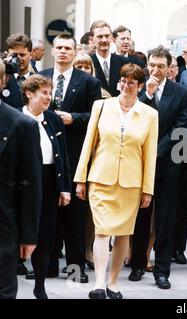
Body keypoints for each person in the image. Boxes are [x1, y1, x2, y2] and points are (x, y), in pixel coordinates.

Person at [74, 63, 158, 299]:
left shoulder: (150, 115)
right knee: (101, 231)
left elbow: (149, 155)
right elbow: (88, 145)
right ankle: (98, 284)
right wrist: (80, 178)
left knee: (122, 234)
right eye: (123, 80)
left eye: (131, 82)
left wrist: (147, 189)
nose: (126, 86)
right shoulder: (101, 106)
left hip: (131, 183)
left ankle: (113, 283)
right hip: (101, 178)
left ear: (140, 86)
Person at [39, 34, 102, 283]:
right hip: (45, 155)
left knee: (74, 215)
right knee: (48, 214)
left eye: (68, 48)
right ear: (52, 51)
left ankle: (76, 267)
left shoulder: (88, 81)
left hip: (75, 155)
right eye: (59, 48)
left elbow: (97, 116)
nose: (63, 52)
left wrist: (73, 118)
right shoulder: (42, 76)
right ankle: (48, 265)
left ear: (75, 52)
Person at [129, 46, 187, 290]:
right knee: (140, 216)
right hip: (139, 163)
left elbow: (181, 128)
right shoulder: (138, 89)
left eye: (160, 66)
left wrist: (156, 151)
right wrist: (147, 95)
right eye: (152, 65)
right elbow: (133, 116)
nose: (155, 70)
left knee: (165, 219)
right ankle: (137, 264)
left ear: (170, 67)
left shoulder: (182, 93)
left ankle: (162, 270)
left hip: (168, 165)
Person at [21, 75, 72, 299]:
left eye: (50, 92)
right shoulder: (14, 117)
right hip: (21, 183)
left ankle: (39, 286)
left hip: (49, 180)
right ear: (29, 93)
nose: (48, 97)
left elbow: (63, 156)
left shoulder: (53, 119)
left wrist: (64, 187)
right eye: (43, 92)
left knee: (45, 235)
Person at [0, 60, 42, 299]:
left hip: (4, 225)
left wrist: (28, 235)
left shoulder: (22, 125)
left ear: (2, 82)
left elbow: (31, 184)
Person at [90, 20, 129, 96]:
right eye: (100, 37)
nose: (104, 40)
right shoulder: (88, 63)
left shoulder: (124, 61)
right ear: (92, 39)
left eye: (107, 36)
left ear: (111, 37)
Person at [2, 33, 34, 110]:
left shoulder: (37, 79)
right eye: (14, 55)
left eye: (22, 55)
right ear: (7, 55)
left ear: (31, 55)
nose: (19, 59)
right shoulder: (2, 80)